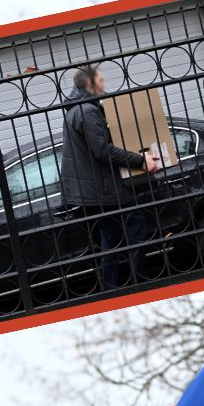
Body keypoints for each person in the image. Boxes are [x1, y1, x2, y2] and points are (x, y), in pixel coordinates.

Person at [59, 64, 161, 290]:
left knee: (111, 239)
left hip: (95, 189)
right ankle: (140, 280)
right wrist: (141, 160)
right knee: (137, 229)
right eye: (101, 81)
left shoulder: (76, 109)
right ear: (90, 83)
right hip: (104, 189)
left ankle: (111, 287)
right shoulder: (87, 110)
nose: (104, 85)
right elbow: (102, 150)